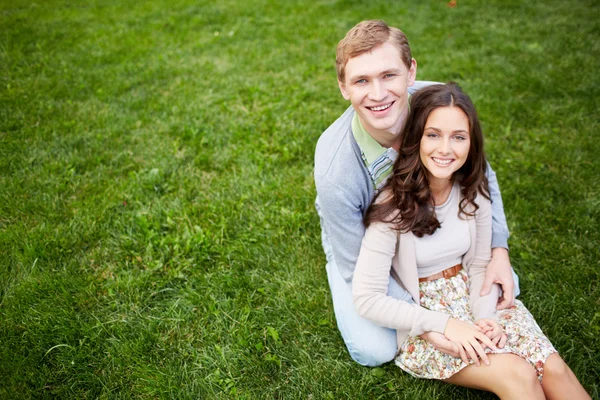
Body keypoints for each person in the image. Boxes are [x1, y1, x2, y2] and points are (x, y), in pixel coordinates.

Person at [352, 83, 590, 399]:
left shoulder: (473, 191)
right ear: (416, 139)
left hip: (476, 295)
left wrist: (486, 317)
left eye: (458, 137)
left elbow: (479, 265)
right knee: (518, 375)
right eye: (433, 134)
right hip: (426, 318)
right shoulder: (393, 208)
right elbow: (367, 298)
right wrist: (443, 324)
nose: (445, 148)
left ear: (471, 143)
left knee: (554, 370)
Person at [314, 20, 518, 366]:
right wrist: (427, 323)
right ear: (343, 87)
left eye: (389, 75)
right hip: (363, 237)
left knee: (505, 282)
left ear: (411, 72)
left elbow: (481, 174)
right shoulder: (335, 172)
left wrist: (499, 247)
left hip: (426, 209)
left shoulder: (439, 103)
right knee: (375, 349)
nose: (378, 94)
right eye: (361, 80)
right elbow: (358, 270)